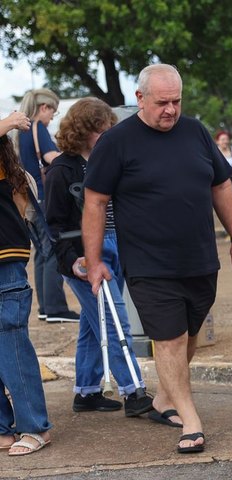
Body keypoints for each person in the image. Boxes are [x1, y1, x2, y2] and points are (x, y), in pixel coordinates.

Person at [81, 64, 232, 454]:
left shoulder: (195, 132)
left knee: (189, 335)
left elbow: (221, 184)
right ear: (140, 99)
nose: (171, 110)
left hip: (200, 259)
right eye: (162, 103)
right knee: (169, 340)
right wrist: (94, 262)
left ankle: (163, 401)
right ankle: (191, 421)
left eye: (176, 101)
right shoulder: (116, 142)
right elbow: (95, 201)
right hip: (148, 263)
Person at [44, 98, 154, 416]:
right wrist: (75, 261)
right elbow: (54, 227)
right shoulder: (61, 171)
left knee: (96, 322)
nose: (106, 136)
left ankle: (87, 391)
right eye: (100, 131)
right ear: (84, 130)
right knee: (112, 319)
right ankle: (134, 391)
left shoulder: (108, 160)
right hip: (83, 255)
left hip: (115, 246)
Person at [0, 111, 53, 456]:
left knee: (12, 347)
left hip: (6, 263)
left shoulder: (8, 170)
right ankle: (3, 429)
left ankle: (35, 427)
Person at [18, 88, 78, 322]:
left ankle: (46, 307)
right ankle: (55, 308)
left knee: (42, 253)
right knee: (53, 248)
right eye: (52, 111)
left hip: (29, 198)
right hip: (44, 196)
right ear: (44, 107)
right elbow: (51, 157)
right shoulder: (38, 128)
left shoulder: (22, 130)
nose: (53, 116)